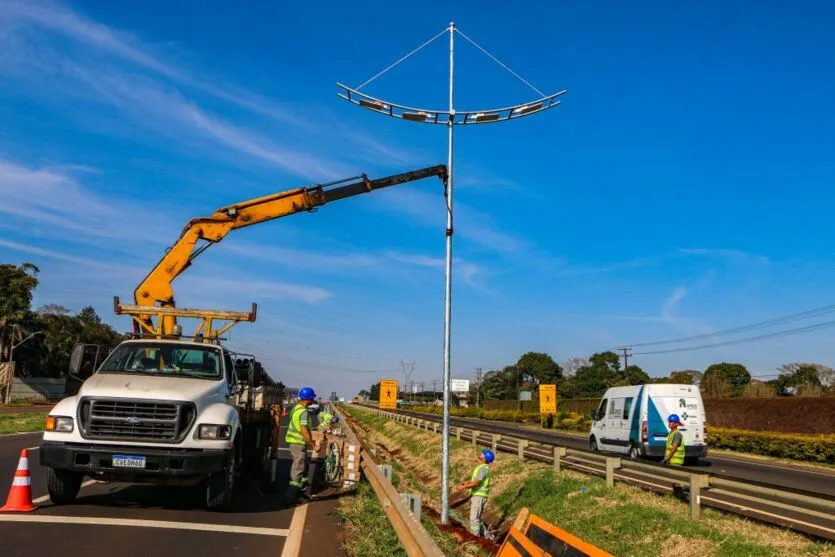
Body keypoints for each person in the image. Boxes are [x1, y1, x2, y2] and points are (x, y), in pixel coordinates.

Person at [284, 386, 317, 504]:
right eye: (312, 398)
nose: (313, 400)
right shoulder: (303, 412)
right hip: (298, 443)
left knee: (304, 468)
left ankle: (301, 493)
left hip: (295, 443)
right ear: (308, 399)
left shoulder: (295, 408)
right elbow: (303, 430)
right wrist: (313, 444)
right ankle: (290, 497)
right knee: (298, 469)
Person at [456, 449, 494, 537]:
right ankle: (485, 536)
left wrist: (464, 487)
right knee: (477, 517)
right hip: (479, 496)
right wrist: (468, 482)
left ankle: (475, 537)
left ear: (485, 458)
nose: (480, 454)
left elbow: (477, 483)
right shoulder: (483, 468)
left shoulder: (483, 469)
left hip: (479, 496)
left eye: (482, 454)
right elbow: (476, 480)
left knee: (474, 518)